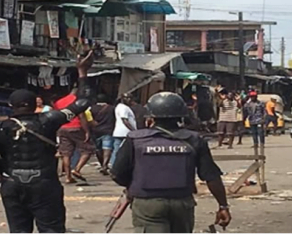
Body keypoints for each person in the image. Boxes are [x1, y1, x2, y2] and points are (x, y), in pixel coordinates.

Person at [0, 53, 94, 233]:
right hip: (44, 183)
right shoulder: (49, 119)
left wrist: (6, 168)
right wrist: (82, 71)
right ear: (34, 104)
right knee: (51, 229)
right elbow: (83, 102)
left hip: (13, 184)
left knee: (19, 230)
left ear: (10, 105)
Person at [111, 92, 231, 233]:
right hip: (182, 203)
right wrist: (223, 206)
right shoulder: (194, 140)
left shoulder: (135, 139)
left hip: (147, 204)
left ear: (150, 117)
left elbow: (117, 173)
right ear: (181, 116)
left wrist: (133, 186)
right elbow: (211, 176)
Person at [54, 87, 92, 184]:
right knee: (87, 149)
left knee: (66, 154)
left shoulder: (59, 102)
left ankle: (68, 177)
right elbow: (82, 116)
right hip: (76, 127)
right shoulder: (77, 101)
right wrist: (87, 131)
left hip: (63, 128)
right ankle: (77, 169)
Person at [89, 94, 116, 175]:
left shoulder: (92, 108)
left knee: (98, 149)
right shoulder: (111, 108)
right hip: (108, 130)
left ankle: (102, 164)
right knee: (107, 148)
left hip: (96, 131)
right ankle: (105, 165)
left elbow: (89, 119)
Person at [110, 93, 137, 167]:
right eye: (127, 98)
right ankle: (115, 165)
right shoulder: (123, 108)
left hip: (120, 132)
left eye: (130, 98)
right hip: (125, 132)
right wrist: (133, 130)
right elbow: (124, 120)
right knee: (122, 150)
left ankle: (113, 164)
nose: (129, 100)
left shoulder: (120, 107)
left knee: (117, 149)